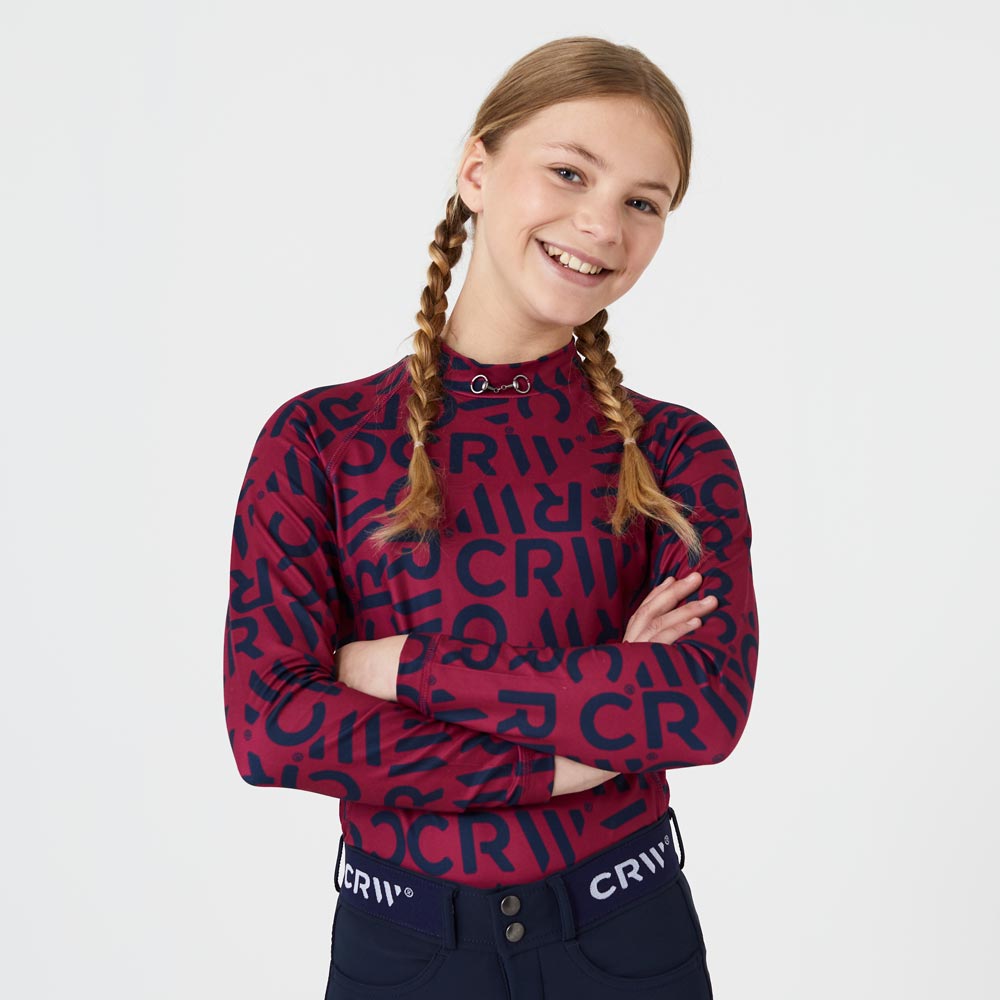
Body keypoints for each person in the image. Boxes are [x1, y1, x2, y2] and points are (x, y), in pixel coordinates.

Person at [223, 34, 758, 1000]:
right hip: (403, 948)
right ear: (477, 170)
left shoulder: (677, 453)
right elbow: (274, 727)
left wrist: (402, 669)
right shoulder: (318, 441)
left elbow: (698, 709)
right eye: (570, 172)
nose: (602, 224)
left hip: (627, 936)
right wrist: (574, 753)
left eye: (644, 202)